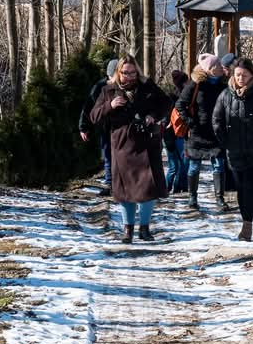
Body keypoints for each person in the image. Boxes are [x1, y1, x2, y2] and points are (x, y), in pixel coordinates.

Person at [89, 55, 171, 244]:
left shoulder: (147, 86)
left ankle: (145, 228)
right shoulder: (108, 90)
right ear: (118, 72)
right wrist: (110, 105)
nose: (130, 76)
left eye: (133, 72)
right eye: (126, 73)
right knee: (126, 190)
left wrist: (153, 115)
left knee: (149, 187)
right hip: (122, 144)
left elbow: (167, 103)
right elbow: (93, 116)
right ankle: (128, 229)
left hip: (147, 142)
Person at [212, 57, 253, 241]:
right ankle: (245, 220)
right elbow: (217, 119)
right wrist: (225, 141)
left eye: (244, 75)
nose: (241, 78)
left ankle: (247, 225)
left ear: (252, 75)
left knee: (249, 184)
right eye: (238, 75)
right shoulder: (226, 94)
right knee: (241, 186)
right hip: (234, 151)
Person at [176, 53, 229, 211]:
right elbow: (180, 104)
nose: (221, 67)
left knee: (219, 166)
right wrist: (190, 122)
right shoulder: (195, 84)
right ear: (210, 69)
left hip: (216, 132)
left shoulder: (223, 85)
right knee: (194, 167)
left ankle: (219, 198)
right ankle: (192, 198)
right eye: (218, 65)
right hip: (197, 134)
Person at [79, 58, 119, 196]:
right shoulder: (100, 86)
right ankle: (110, 184)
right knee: (108, 155)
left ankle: (120, 184)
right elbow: (88, 106)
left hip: (122, 127)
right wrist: (83, 127)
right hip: (106, 127)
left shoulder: (126, 85)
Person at [163, 70, 190, 194]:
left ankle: (170, 188)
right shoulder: (181, 98)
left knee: (175, 166)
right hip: (176, 136)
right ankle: (174, 188)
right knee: (179, 165)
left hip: (171, 136)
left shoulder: (170, 97)